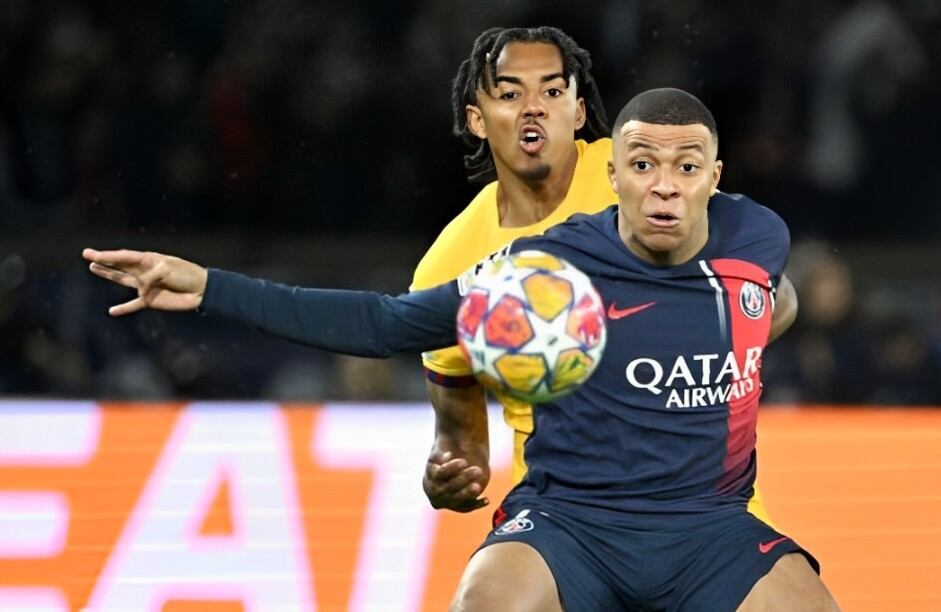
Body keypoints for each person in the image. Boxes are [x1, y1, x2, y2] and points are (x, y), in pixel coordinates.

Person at [84, 88, 835, 611]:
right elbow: (384, 324)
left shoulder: (757, 238)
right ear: (613, 176)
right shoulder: (543, 273)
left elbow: (773, 298)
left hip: (709, 527)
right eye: (642, 165)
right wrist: (211, 287)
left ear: (716, 179)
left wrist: (767, 318)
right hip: (572, 524)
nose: (663, 187)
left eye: (685, 167)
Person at [414, 26, 780, 525]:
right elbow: (459, 435)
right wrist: (449, 471)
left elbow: (769, 298)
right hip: (562, 512)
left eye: (553, 90)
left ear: (578, 111)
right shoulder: (449, 264)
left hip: (702, 502)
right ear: (477, 120)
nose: (534, 106)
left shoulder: (645, 171)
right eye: (509, 93)